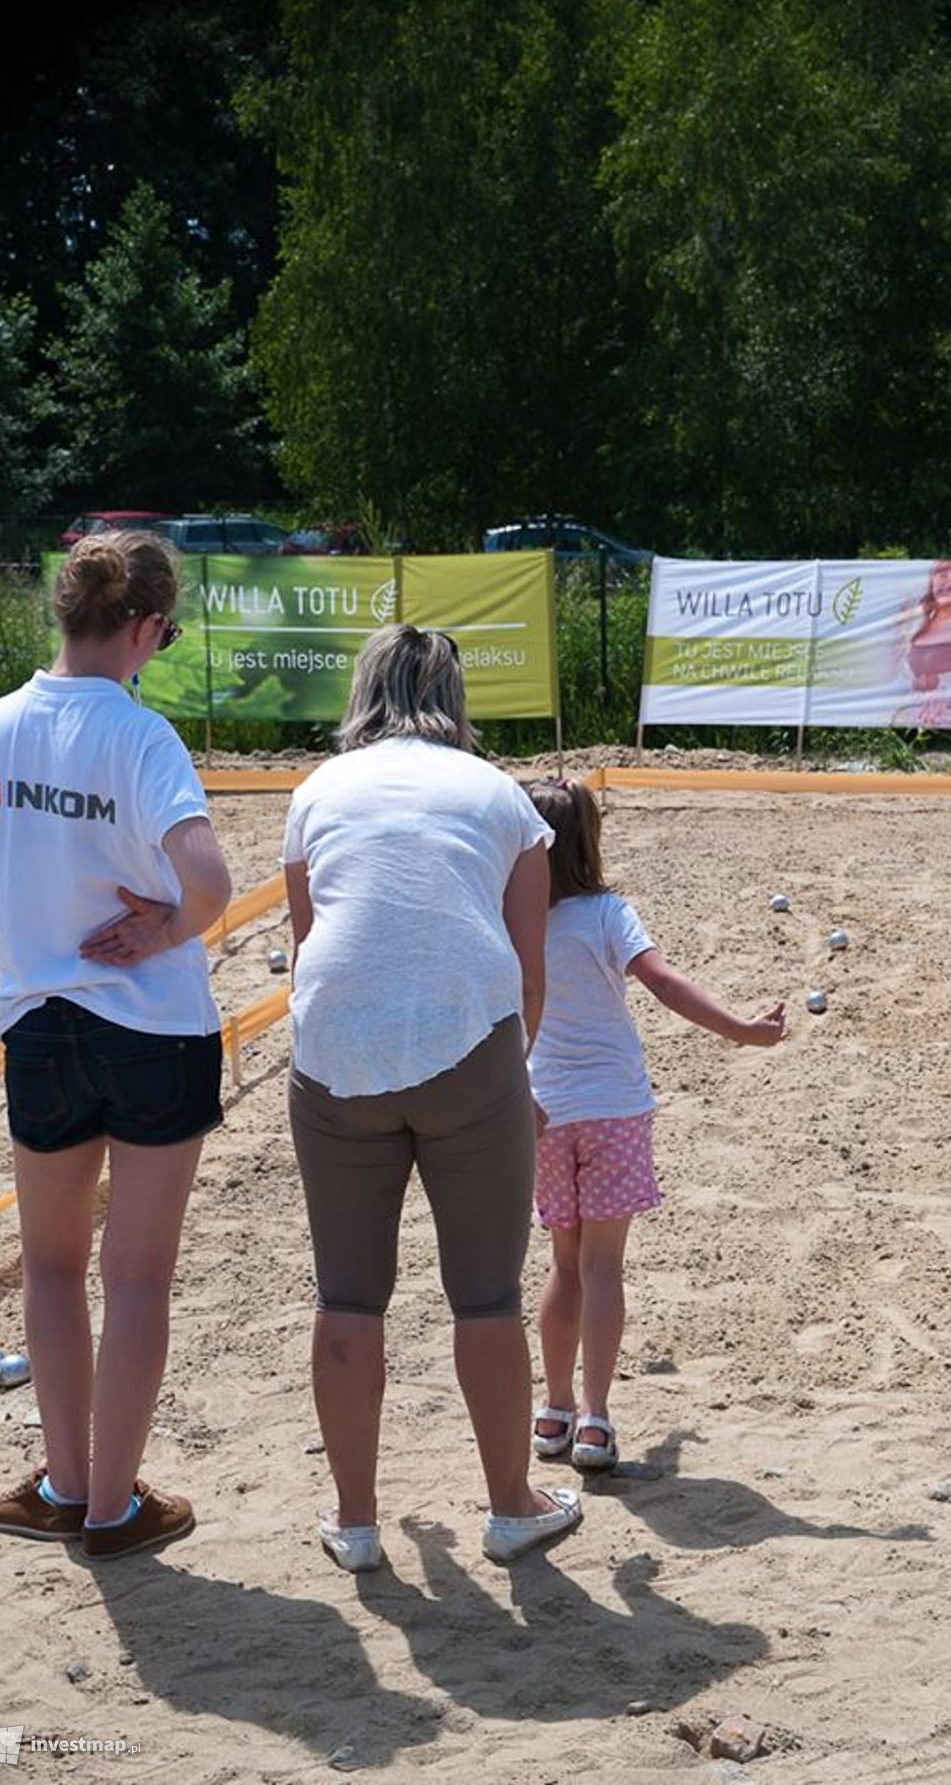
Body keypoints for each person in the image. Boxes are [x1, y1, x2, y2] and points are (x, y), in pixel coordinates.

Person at [284, 623, 582, 1569]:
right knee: (487, 1295)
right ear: (453, 698)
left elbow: (308, 942)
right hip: (468, 1041)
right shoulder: (498, 794)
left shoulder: (315, 791)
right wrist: (509, 1071)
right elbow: (530, 971)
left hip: (335, 1053)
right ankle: (511, 1504)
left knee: (348, 1294)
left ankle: (357, 1522)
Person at [0, 531, 232, 1560]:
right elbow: (205, 883)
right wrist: (160, 927)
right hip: (153, 1023)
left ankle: (63, 1485)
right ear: (143, 628)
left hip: (37, 1019)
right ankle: (115, 1506)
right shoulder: (138, 735)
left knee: (49, 1267)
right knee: (137, 1278)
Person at [522, 778, 786, 1473]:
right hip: (612, 1108)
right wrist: (741, 1030)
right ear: (590, 842)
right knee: (605, 1267)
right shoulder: (608, 913)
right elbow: (664, 983)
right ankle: (596, 1421)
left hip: (542, 1111)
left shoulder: (511, 919)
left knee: (562, 1265)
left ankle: (551, 1412)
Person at [895, 557, 951, 728]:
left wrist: (943, 690)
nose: (949, 584)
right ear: (932, 580)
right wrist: (916, 683)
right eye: (943, 576)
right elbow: (901, 674)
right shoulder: (921, 621)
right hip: (915, 717)